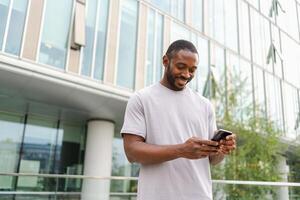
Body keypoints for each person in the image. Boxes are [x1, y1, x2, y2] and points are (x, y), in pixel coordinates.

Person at [121, 39, 236, 200]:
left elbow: (212, 160)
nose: (186, 75)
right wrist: (181, 150)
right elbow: (131, 152)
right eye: (181, 67)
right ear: (165, 61)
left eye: (192, 70)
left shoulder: (205, 105)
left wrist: (222, 150)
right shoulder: (141, 99)